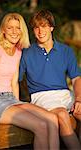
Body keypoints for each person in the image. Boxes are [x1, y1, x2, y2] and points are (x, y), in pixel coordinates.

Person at [0, 12, 60, 150]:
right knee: (40, 125)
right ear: (3, 30)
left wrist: (17, 107)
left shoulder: (17, 51)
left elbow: (14, 82)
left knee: (52, 119)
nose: (14, 31)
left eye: (18, 28)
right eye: (10, 27)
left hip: (11, 100)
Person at [19, 9, 81, 150]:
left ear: (51, 27)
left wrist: (78, 99)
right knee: (62, 114)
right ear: (33, 30)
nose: (40, 31)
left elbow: (77, 78)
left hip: (66, 94)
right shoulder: (26, 53)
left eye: (44, 26)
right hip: (42, 97)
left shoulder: (66, 51)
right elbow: (13, 78)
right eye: (36, 27)